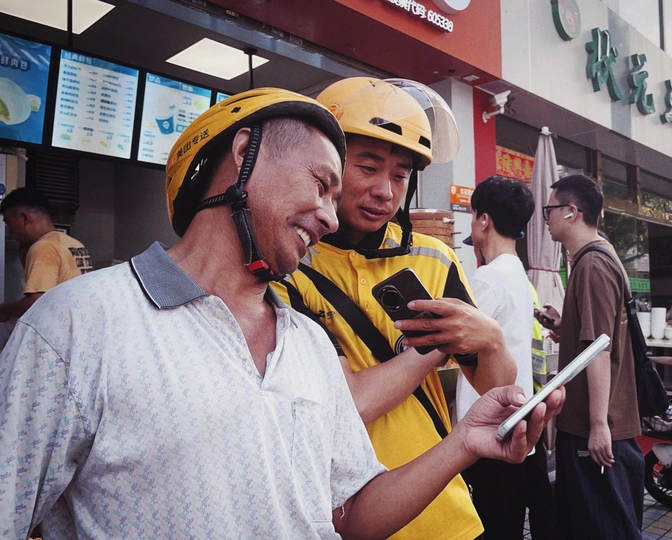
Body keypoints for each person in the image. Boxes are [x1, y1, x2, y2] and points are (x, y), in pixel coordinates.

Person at [0, 88, 563, 539]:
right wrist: (433, 349)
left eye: (399, 177)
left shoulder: (305, 340)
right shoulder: (76, 325)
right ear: (244, 154)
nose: (331, 216)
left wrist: (465, 436)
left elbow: (345, 513)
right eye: (324, 183)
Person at [271, 78, 517, 539]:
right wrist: (434, 346)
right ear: (325, 167)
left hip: (451, 515)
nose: (385, 191)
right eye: (368, 168)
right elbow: (350, 403)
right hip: (351, 519)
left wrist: (492, 340)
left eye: (401, 175)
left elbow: (495, 388)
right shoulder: (289, 267)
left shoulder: (434, 258)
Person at [540, 174, 644, 540]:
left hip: (594, 426)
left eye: (549, 210)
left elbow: (599, 349)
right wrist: (564, 325)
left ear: (571, 212)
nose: (546, 219)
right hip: (598, 421)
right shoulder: (600, 254)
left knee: (601, 527)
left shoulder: (592, 265)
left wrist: (598, 425)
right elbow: (600, 333)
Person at [454, 175, 555, 539]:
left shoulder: (488, 278)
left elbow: (452, 340)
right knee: (509, 518)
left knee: (492, 521)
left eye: (472, 215)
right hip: (517, 413)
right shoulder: (519, 275)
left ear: (484, 220)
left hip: (488, 421)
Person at [0, 188, 93, 321]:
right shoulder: (73, 243)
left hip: (59, 326)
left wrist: (5, 310)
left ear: (24, 218)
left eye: (9, 224)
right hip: (80, 322)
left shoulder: (43, 247)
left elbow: (37, 301)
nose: (10, 232)